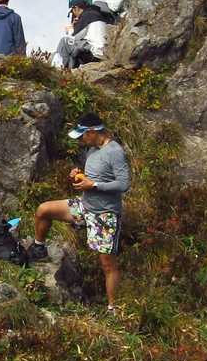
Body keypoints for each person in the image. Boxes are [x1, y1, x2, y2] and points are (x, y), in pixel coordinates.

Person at [28, 112, 130, 308]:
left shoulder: (114, 152)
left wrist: (94, 185)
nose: (81, 140)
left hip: (104, 215)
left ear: (92, 132)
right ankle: (38, 248)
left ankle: (113, 308)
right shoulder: (92, 150)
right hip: (85, 207)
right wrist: (79, 174)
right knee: (43, 210)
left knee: (108, 264)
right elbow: (96, 175)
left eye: (82, 136)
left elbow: (123, 184)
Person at [52, 0, 109, 69]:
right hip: (104, 52)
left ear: (76, 8)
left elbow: (75, 38)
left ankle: (57, 70)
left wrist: (71, 29)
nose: (73, 15)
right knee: (75, 50)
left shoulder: (86, 16)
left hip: (95, 53)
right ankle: (68, 71)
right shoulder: (96, 14)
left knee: (64, 41)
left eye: (72, 11)